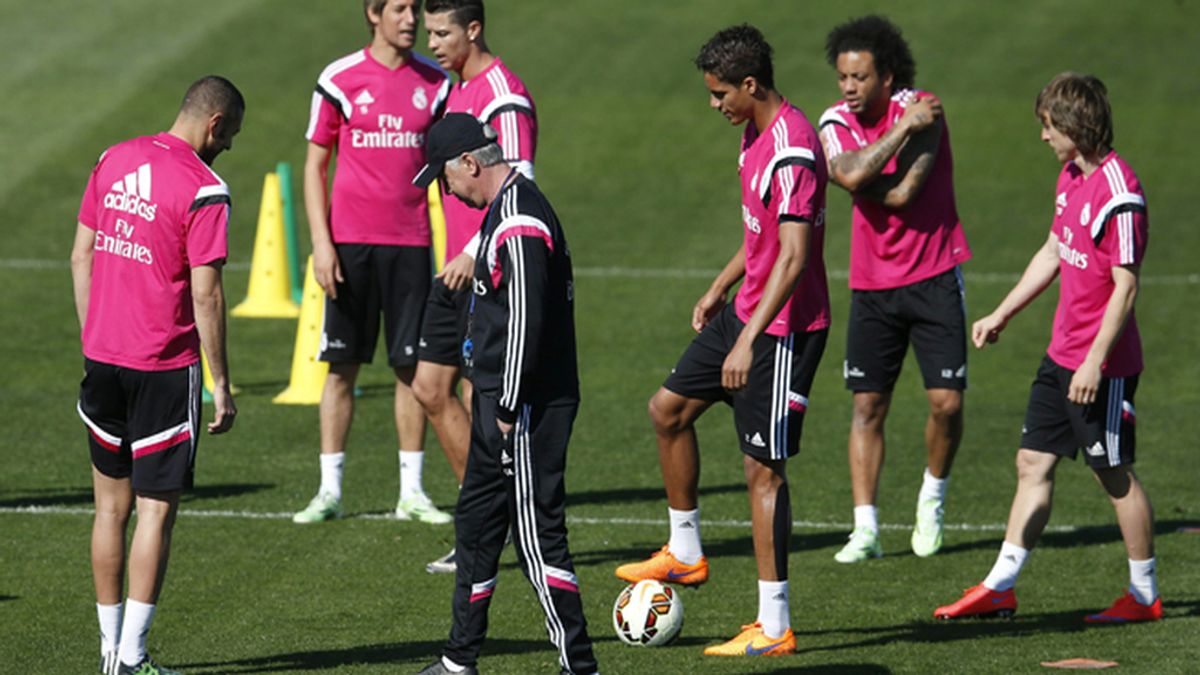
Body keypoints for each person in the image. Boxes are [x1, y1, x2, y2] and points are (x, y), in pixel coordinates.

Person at [614, 25, 830, 657]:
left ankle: (774, 625)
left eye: (718, 94)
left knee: (762, 473)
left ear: (750, 84)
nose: (714, 105)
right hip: (745, 314)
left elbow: (793, 259)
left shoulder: (792, 150)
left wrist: (748, 342)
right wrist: (717, 289)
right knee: (667, 411)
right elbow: (759, 236)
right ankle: (685, 553)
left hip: (784, 331)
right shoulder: (753, 137)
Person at [935, 72, 1160, 623]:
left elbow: (1126, 287)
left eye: (1048, 126)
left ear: (1076, 125)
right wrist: (1002, 312)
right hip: (1061, 355)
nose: (1043, 137)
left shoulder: (1120, 195)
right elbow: (1055, 250)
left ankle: (1144, 596)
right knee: (1032, 461)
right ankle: (1001, 585)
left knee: (1114, 473)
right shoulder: (1069, 177)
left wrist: (1093, 361)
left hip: (1099, 367)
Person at [412, 113, 597, 675]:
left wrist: (510, 406)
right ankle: (458, 660)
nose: (445, 192)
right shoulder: (506, 209)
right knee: (476, 524)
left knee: (539, 540)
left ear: (470, 163)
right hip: (503, 403)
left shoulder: (517, 219)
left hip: (526, 408)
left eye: (444, 179)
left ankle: (579, 666)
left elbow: (525, 321)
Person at [72, 75, 242, 675]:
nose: (227, 149)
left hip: (104, 362)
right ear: (216, 124)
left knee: (108, 510)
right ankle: (134, 657)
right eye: (231, 137)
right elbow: (206, 297)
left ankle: (106, 653)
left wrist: (94, 338)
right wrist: (221, 382)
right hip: (164, 369)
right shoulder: (205, 189)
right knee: (155, 513)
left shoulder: (112, 158)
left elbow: (81, 254)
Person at [818, 15, 972, 562]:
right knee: (868, 406)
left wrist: (869, 173)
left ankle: (931, 499)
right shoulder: (836, 120)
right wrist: (900, 132)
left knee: (947, 403)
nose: (849, 88)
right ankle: (867, 528)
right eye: (842, 77)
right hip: (873, 284)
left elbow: (904, 193)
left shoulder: (926, 104)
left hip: (934, 274)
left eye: (860, 77)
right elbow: (850, 174)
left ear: (888, 77)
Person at [293, 0, 453, 525]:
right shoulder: (338, 79)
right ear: (373, 13)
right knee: (341, 368)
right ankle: (329, 491)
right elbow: (316, 164)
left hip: (411, 244)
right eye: (401, 9)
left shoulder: (436, 83)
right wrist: (321, 242)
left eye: (415, 10)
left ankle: (412, 492)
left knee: (410, 369)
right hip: (349, 245)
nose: (412, 21)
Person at [417, 0, 538, 574]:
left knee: (474, 396)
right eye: (429, 32)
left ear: (473, 28)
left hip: (485, 269)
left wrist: (471, 249)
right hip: (452, 270)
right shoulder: (453, 91)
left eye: (443, 32)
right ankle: (487, 521)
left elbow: (522, 187)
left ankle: (488, 527)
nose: (433, 43)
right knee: (430, 388)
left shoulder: (504, 98)